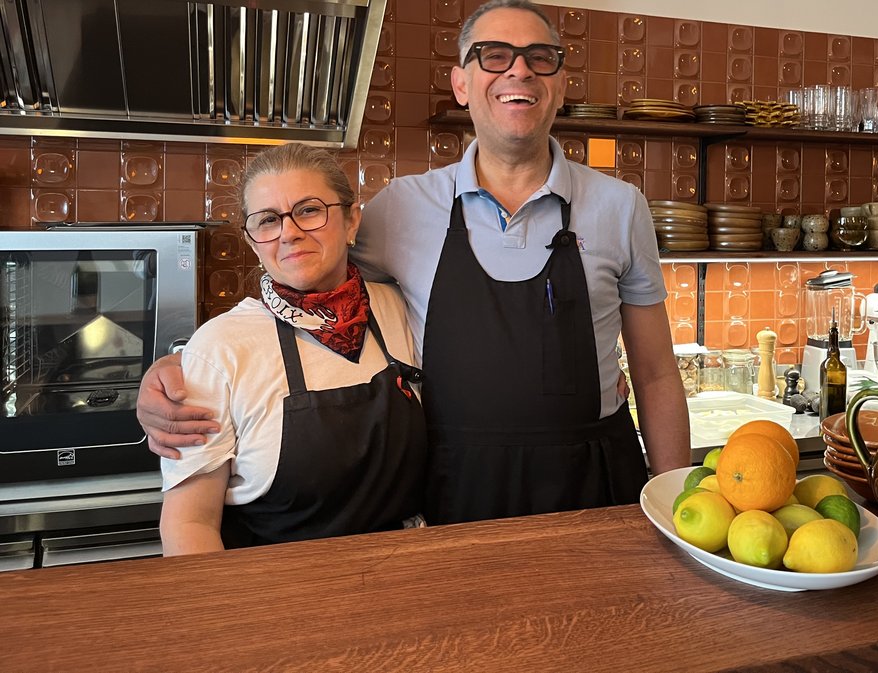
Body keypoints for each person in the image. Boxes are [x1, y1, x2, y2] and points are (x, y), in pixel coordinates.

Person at [138, 0, 690, 525]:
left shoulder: (621, 206)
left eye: (540, 58)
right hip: (456, 482)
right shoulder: (402, 207)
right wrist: (189, 368)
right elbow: (310, 282)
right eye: (494, 56)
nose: (519, 71)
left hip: (595, 477)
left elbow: (657, 373)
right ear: (461, 83)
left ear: (560, 84)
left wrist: (675, 503)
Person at [158, 144, 427, 554]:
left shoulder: (401, 307)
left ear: (351, 221)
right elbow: (189, 522)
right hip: (277, 595)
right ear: (252, 241)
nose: (289, 232)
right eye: (267, 220)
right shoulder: (219, 349)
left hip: (407, 573)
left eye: (308, 210)